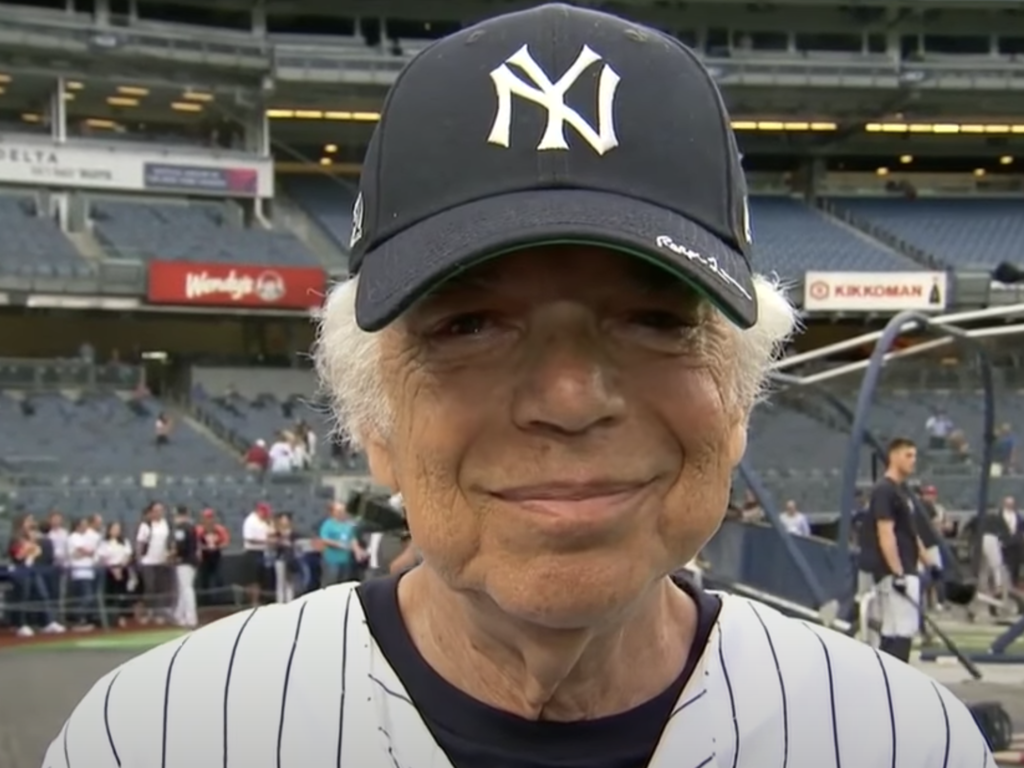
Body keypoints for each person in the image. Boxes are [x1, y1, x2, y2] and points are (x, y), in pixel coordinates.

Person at [44, 6, 994, 768]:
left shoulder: (903, 739)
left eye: (655, 320)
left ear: (738, 397)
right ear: (375, 419)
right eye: (467, 326)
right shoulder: (158, 736)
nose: (571, 398)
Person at [868, 438, 934, 663]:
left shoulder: (902, 492)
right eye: (908, 455)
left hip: (909, 569)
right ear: (894, 456)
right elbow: (886, 532)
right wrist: (897, 572)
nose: (913, 461)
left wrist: (928, 563)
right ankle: (890, 685)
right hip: (897, 572)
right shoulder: (884, 490)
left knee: (905, 630)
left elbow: (911, 533)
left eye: (914, 456)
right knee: (896, 631)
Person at [171, 505, 199, 629]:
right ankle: (179, 616)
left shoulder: (181, 528)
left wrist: (172, 554)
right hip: (192, 560)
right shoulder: (192, 527)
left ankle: (191, 618)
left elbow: (180, 546)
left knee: (187, 589)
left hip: (184, 561)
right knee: (184, 588)